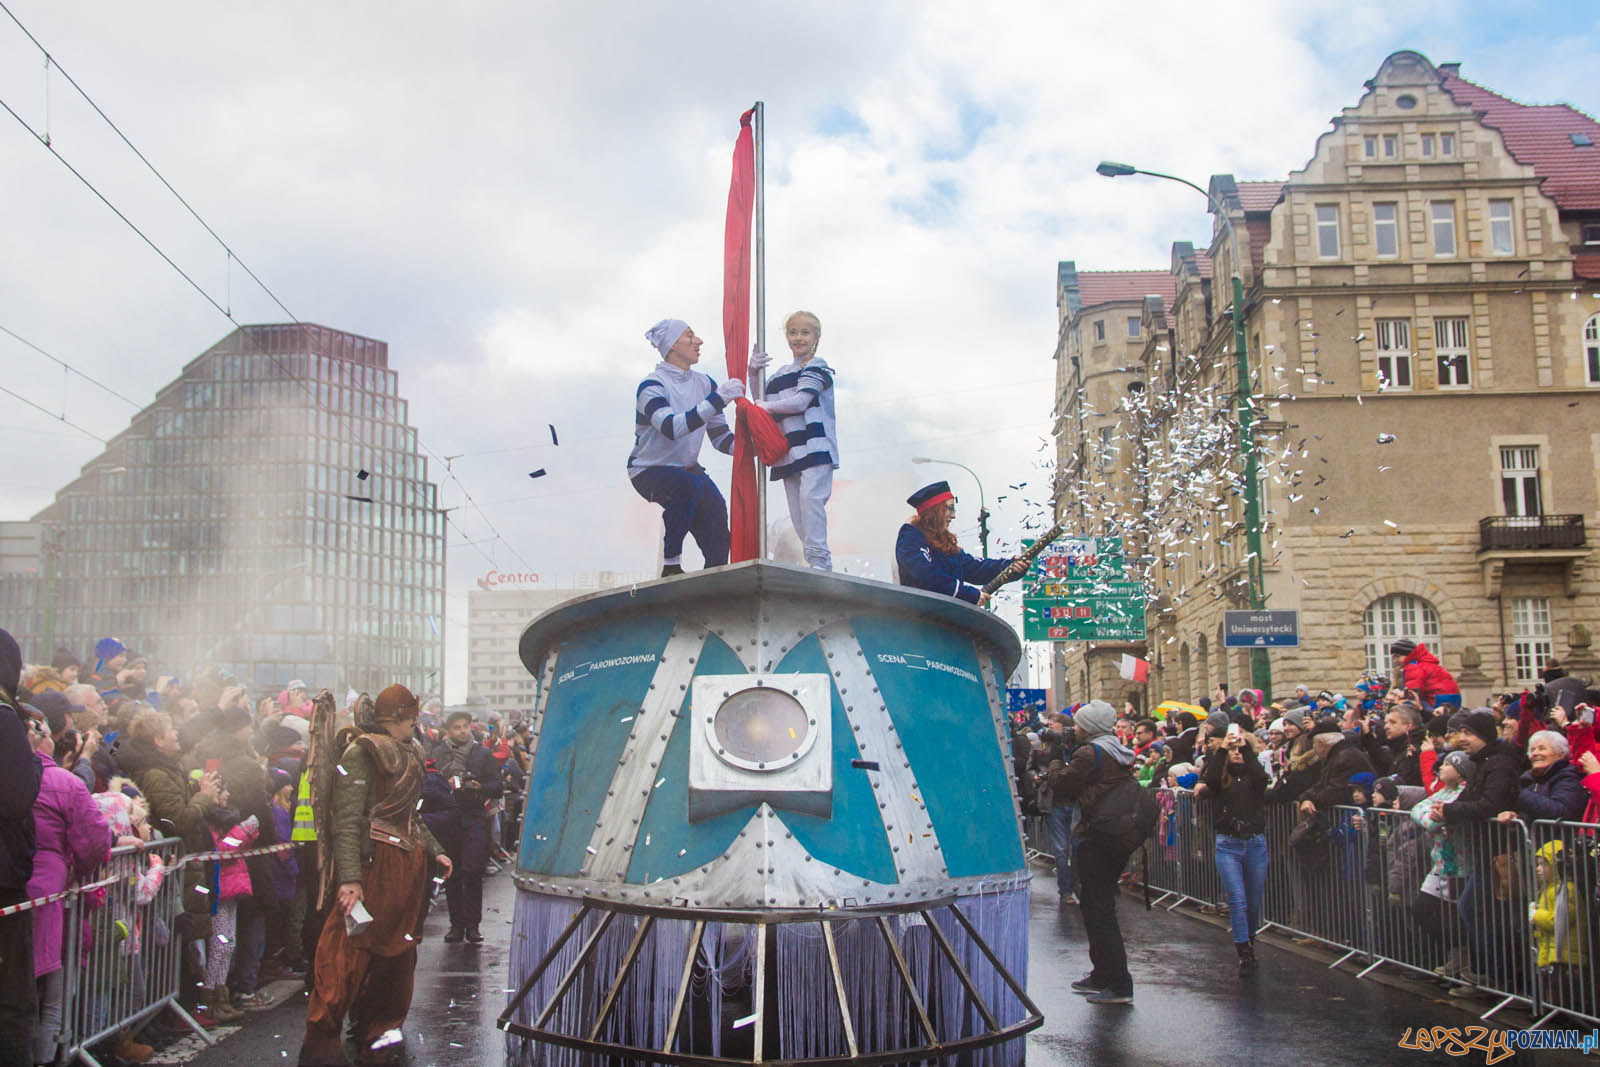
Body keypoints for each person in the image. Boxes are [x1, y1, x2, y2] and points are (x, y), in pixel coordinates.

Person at [299, 685, 452, 1067]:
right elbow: (346, 821)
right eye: (410, 717)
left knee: (398, 953)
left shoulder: (412, 749)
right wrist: (350, 879)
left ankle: (378, 1036)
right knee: (346, 953)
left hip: (406, 866)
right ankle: (323, 1049)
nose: (414, 724)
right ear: (396, 717)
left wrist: (436, 850)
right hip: (373, 866)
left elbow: (409, 817)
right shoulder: (362, 752)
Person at [628, 319, 742, 576]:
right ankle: (671, 565)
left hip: (686, 469)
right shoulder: (652, 386)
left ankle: (716, 574)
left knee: (716, 508)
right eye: (690, 336)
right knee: (686, 485)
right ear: (671, 345)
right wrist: (717, 400)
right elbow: (671, 427)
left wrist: (750, 450)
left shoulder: (705, 384)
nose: (698, 341)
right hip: (648, 470)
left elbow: (719, 436)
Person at [1049, 699, 1139, 1005]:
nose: (1074, 728)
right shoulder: (1118, 750)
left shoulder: (1090, 753)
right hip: (1113, 834)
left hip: (1096, 835)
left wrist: (1055, 762)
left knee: (1100, 909)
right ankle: (1102, 973)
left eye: (1078, 723)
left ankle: (1119, 983)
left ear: (1089, 727)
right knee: (1094, 904)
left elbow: (1063, 785)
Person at [748, 310, 838, 570]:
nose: (798, 338)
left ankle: (821, 561)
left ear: (816, 337)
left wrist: (764, 406)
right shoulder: (780, 374)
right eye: (793, 332)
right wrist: (753, 372)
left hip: (815, 447)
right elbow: (762, 399)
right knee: (798, 514)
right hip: (790, 453)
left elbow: (800, 401)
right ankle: (813, 560)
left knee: (811, 501)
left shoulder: (817, 367)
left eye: (805, 332)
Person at [1200, 724, 1270, 974]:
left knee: (1253, 901)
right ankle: (1244, 950)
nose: (1237, 753)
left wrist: (1246, 749)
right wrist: (1223, 751)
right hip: (1228, 844)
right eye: (1234, 750)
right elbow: (1209, 779)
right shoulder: (1220, 778)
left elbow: (1263, 779)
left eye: (1241, 749)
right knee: (1237, 900)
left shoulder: (1254, 778)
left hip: (1255, 843)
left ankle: (1249, 938)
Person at [429, 711, 502, 944]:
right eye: (457, 727)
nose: (462, 731)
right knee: (453, 872)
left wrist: (480, 786)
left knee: (472, 870)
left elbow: (498, 786)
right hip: (448, 819)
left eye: (465, 726)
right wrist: (445, 785)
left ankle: (473, 924)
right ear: (448, 731)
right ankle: (456, 925)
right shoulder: (439, 753)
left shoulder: (482, 753)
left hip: (474, 816)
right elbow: (428, 782)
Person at [895, 481, 1021, 605]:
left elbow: (976, 568)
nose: (954, 515)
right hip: (921, 618)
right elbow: (925, 575)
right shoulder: (910, 536)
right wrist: (967, 594)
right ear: (935, 511)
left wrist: (1009, 566)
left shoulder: (945, 544)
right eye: (950, 508)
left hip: (950, 617)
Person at [1390, 638, 1460, 710]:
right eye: (1393, 657)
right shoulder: (1424, 663)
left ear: (1408, 654)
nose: (1394, 661)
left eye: (1397, 656)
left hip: (1438, 700)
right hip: (1452, 698)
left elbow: (1412, 694)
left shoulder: (1412, 666)